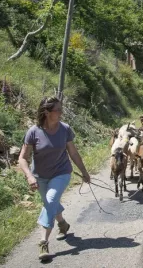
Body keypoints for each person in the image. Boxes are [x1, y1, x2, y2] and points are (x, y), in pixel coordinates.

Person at [18, 96, 90, 261]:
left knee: (50, 200)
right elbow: (22, 158)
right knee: (51, 203)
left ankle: (43, 242)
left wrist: (84, 172)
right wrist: (29, 176)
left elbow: (73, 153)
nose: (61, 112)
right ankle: (63, 224)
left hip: (62, 172)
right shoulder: (33, 132)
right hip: (40, 176)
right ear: (47, 112)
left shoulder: (65, 129)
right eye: (58, 109)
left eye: (60, 108)